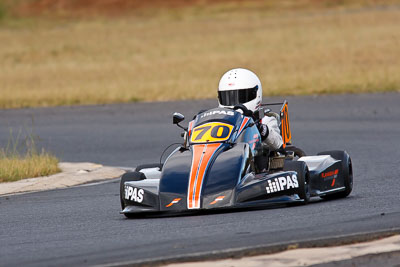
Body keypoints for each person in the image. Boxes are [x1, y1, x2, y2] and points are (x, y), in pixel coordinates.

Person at [217, 68, 283, 151]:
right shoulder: (220, 123)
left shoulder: (265, 121)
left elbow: (278, 143)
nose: (234, 105)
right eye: (228, 97)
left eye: (241, 97)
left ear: (255, 94)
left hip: (255, 160)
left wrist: (261, 129)